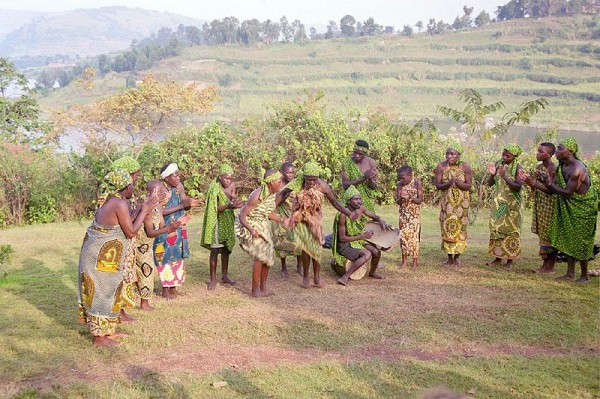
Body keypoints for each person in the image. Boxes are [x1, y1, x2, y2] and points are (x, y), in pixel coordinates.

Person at [77, 169, 158, 347]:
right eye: (131, 185)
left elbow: (126, 222)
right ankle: (99, 338)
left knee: (110, 290)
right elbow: (130, 232)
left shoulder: (112, 200)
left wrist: (141, 209)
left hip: (103, 252)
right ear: (125, 187)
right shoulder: (118, 203)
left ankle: (106, 331)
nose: (133, 188)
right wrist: (144, 210)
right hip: (100, 255)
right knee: (101, 292)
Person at [286, 162, 359, 288]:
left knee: (317, 248)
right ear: (304, 177)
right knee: (305, 248)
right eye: (309, 180)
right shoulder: (298, 184)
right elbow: (283, 194)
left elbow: (335, 202)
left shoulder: (322, 186)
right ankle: (305, 278)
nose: (312, 182)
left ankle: (317, 277)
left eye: (315, 179)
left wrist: (348, 213)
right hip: (301, 220)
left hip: (316, 221)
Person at [543, 138, 598, 283]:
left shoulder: (577, 169)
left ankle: (584, 275)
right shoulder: (561, 165)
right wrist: (543, 181)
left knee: (581, 241)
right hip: (570, 206)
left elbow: (567, 193)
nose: (556, 152)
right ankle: (570, 273)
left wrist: (547, 183)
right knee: (569, 237)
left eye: (560, 149)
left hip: (583, 208)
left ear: (570, 151)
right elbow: (553, 187)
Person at [235, 169, 287, 297]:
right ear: (271, 182)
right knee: (260, 256)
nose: (281, 184)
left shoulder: (272, 194)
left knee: (268, 256)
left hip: (262, 224)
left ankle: (263, 288)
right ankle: (255, 290)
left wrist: (283, 220)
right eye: (279, 181)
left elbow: (268, 213)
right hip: (248, 225)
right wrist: (251, 230)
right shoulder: (256, 196)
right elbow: (242, 215)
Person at [135, 180, 183, 310]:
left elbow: (161, 226)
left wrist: (173, 225)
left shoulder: (158, 207)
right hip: (140, 246)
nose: (163, 193)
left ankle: (143, 302)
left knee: (146, 272)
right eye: (159, 191)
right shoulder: (147, 208)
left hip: (148, 246)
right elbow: (150, 232)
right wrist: (169, 229)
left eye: (163, 191)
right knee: (147, 272)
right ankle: (144, 304)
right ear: (149, 193)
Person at [153, 163, 198, 299]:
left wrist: (189, 203)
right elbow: (159, 211)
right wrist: (181, 205)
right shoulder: (160, 191)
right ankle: (165, 289)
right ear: (166, 178)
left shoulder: (179, 187)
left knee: (177, 256)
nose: (178, 177)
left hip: (178, 227)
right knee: (165, 256)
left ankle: (173, 288)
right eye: (175, 175)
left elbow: (184, 203)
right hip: (165, 228)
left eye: (178, 174)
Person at [332, 185, 390, 286]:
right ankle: (345, 277)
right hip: (346, 244)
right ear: (348, 201)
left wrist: (380, 220)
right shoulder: (343, 215)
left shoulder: (361, 209)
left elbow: (374, 216)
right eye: (356, 199)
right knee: (367, 254)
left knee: (376, 252)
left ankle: (372, 272)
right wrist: (362, 236)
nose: (359, 201)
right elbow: (342, 238)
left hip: (358, 240)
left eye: (360, 199)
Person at [110, 156, 143, 321]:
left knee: (127, 276)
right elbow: (126, 227)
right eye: (135, 175)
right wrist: (143, 210)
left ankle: (121, 311)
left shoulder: (124, 196)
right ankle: (117, 312)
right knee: (121, 277)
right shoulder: (114, 199)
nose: (137, 178)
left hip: (126, 243)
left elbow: (128, 217)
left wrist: (139, 209)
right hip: (118, 244)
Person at [200, 164, 244, 290]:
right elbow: (214, 208)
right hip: (217, 222)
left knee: (226, 249)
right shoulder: (214, 188)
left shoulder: (232, 185)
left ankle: (225, 275)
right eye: (226, 178)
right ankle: (213, 279)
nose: (228, 181)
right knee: (215, 250)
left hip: (228, 220)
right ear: (220, 177)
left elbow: (233, 197)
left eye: (230, 178)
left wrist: (235, 202)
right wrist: (227, 206)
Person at [518, 142, 558, 274]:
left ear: (550, 154)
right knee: (543, 235)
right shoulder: (539, 167)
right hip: (540, 205)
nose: (538, 153)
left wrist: (533, 182)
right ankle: (545, 264)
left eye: (541, 152)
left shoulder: (553, 169)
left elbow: (551, 190)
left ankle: (550, 266)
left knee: (549, 235)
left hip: (550, 206)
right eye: (538, 151)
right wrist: (527, 181)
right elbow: (534, 186)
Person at [485, 144, 524, 269]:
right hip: (498, 203)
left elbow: (518, 186)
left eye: (508, 155)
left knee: (511, 229)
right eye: (504, 153)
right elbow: (490, 184)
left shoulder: (518, 167)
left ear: (514, 156)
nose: (504, 156)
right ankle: (498, 257)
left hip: (512, 205)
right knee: (497, 228)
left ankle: (510, 260)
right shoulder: (498, 163)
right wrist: (492, 174)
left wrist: (505, 176)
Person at [433, 143, 472, 267]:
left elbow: (468, 185)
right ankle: (449, 257)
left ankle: (457, 257)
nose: (449, 156)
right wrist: (449, 183)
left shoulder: (465, 166)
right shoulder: (441, 166)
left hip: (462, 204)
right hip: (447, 203)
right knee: (447, 227)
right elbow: (438, 185)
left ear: (459, 155)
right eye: (448, 153)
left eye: (453, 154)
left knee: (461, 228)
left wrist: (459, 183)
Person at [272, 162, 303, 277]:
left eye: (292, 173)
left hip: (295, 216)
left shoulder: (297, 184)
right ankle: (284, 266)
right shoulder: (278, 185)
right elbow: (276, 202)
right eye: (288, 172)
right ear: (282, 172)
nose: (290, 175)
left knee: (299, 241)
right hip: (282, 215)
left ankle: (299, 265)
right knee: (282, 241)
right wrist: (286, 191)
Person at [395, 165, 424, 271]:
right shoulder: (399, 185)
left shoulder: (417, 184)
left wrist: (411, 197)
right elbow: (397, 202)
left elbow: (420, 200)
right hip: (403, 216)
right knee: (403, 238)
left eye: (403, 178)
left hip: (414, 216)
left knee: (415, 239)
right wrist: (401, 198)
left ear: (410, 175)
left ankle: (415, 262)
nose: (401, 180)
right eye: (400, 178)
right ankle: (404, 262)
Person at [341, 139, 378, 212]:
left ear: (365, 153)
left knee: (368, 221)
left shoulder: (371, 163)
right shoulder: (346, 162)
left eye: (360, 154)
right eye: (355, 152)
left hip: (366, 201)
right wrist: (363, 178)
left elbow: (373, 187)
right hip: (350, 202)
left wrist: (370, 178)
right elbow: (345, 185)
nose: (357, 156)